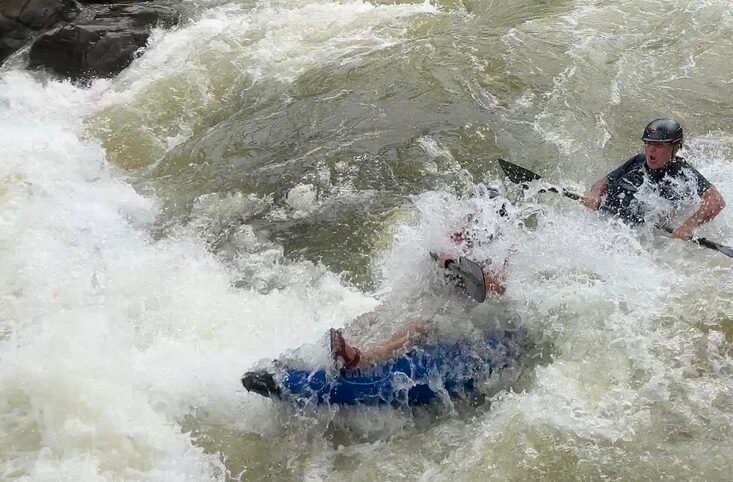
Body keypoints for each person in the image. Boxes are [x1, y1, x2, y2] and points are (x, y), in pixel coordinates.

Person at [330, 189, 510, 369]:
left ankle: (362, 360)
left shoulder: (497, 250)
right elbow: (435, 253)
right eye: (471, 211)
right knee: (387, 310)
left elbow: (499, 288)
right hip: (436, 295)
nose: (470, 217)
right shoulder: (460, 234)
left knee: (419, 327)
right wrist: (441, 258)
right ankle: (341, 340)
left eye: (476, 213)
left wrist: (462, 268)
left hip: (461, 312)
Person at [583, 118, 725, 239]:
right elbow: (603, 182)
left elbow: (715, 202)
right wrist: (594, 194)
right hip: (607, 224)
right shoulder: (638, 161)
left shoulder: (684, 173)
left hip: (640, 236)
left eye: (658, 145)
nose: (651, 150)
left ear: (675, 148)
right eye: (648, 143)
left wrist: (688, 225)